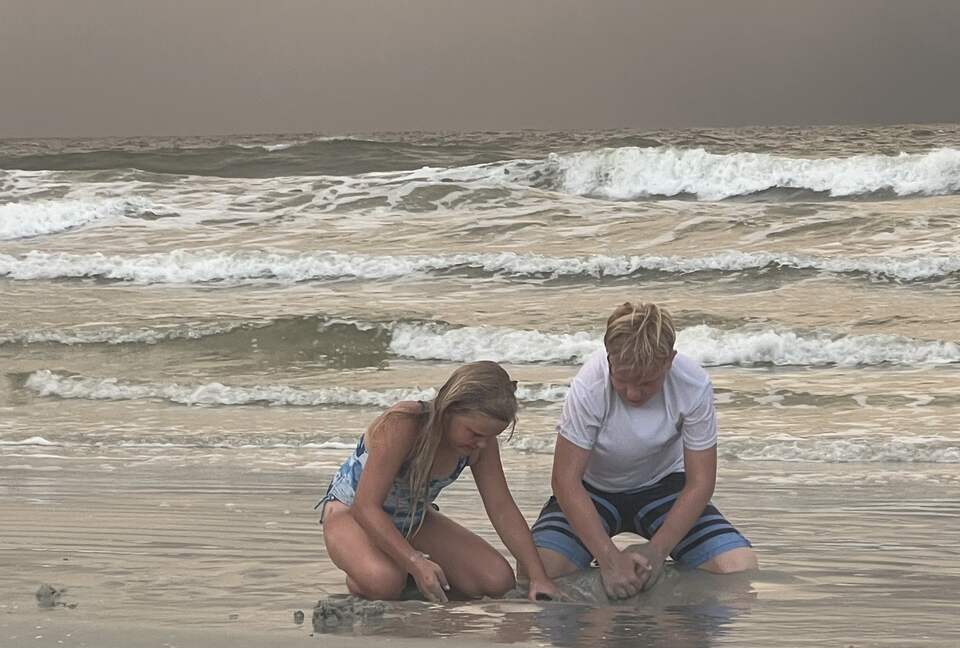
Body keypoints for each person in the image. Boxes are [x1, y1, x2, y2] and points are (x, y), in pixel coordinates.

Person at [529, 302, 757, 600]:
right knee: (539, 568)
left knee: (740, 567)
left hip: (662, 488)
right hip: (593, 491)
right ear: (609, 357)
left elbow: (700, 482)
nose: (633, 393)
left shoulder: (693, 384)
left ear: (669, 361)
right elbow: (565, 481)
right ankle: (616, 588)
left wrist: (657, 552)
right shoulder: (589, 385)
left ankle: (654, 591)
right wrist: (608, 559)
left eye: (647, 382)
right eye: (622, 380)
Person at [318, 360, 561, 603]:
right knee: (385, 581)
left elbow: (501, 509)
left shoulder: (480, 443)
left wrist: (538, 577)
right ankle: (368, 575)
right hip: (351, 514)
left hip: (412, 519)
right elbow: (365, 507)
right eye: (475, 433)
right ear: (449, 410)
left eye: (491, 436)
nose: (482, 444)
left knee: (497, 581)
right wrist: (414, 561)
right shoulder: (403, 424)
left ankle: (406, 571)